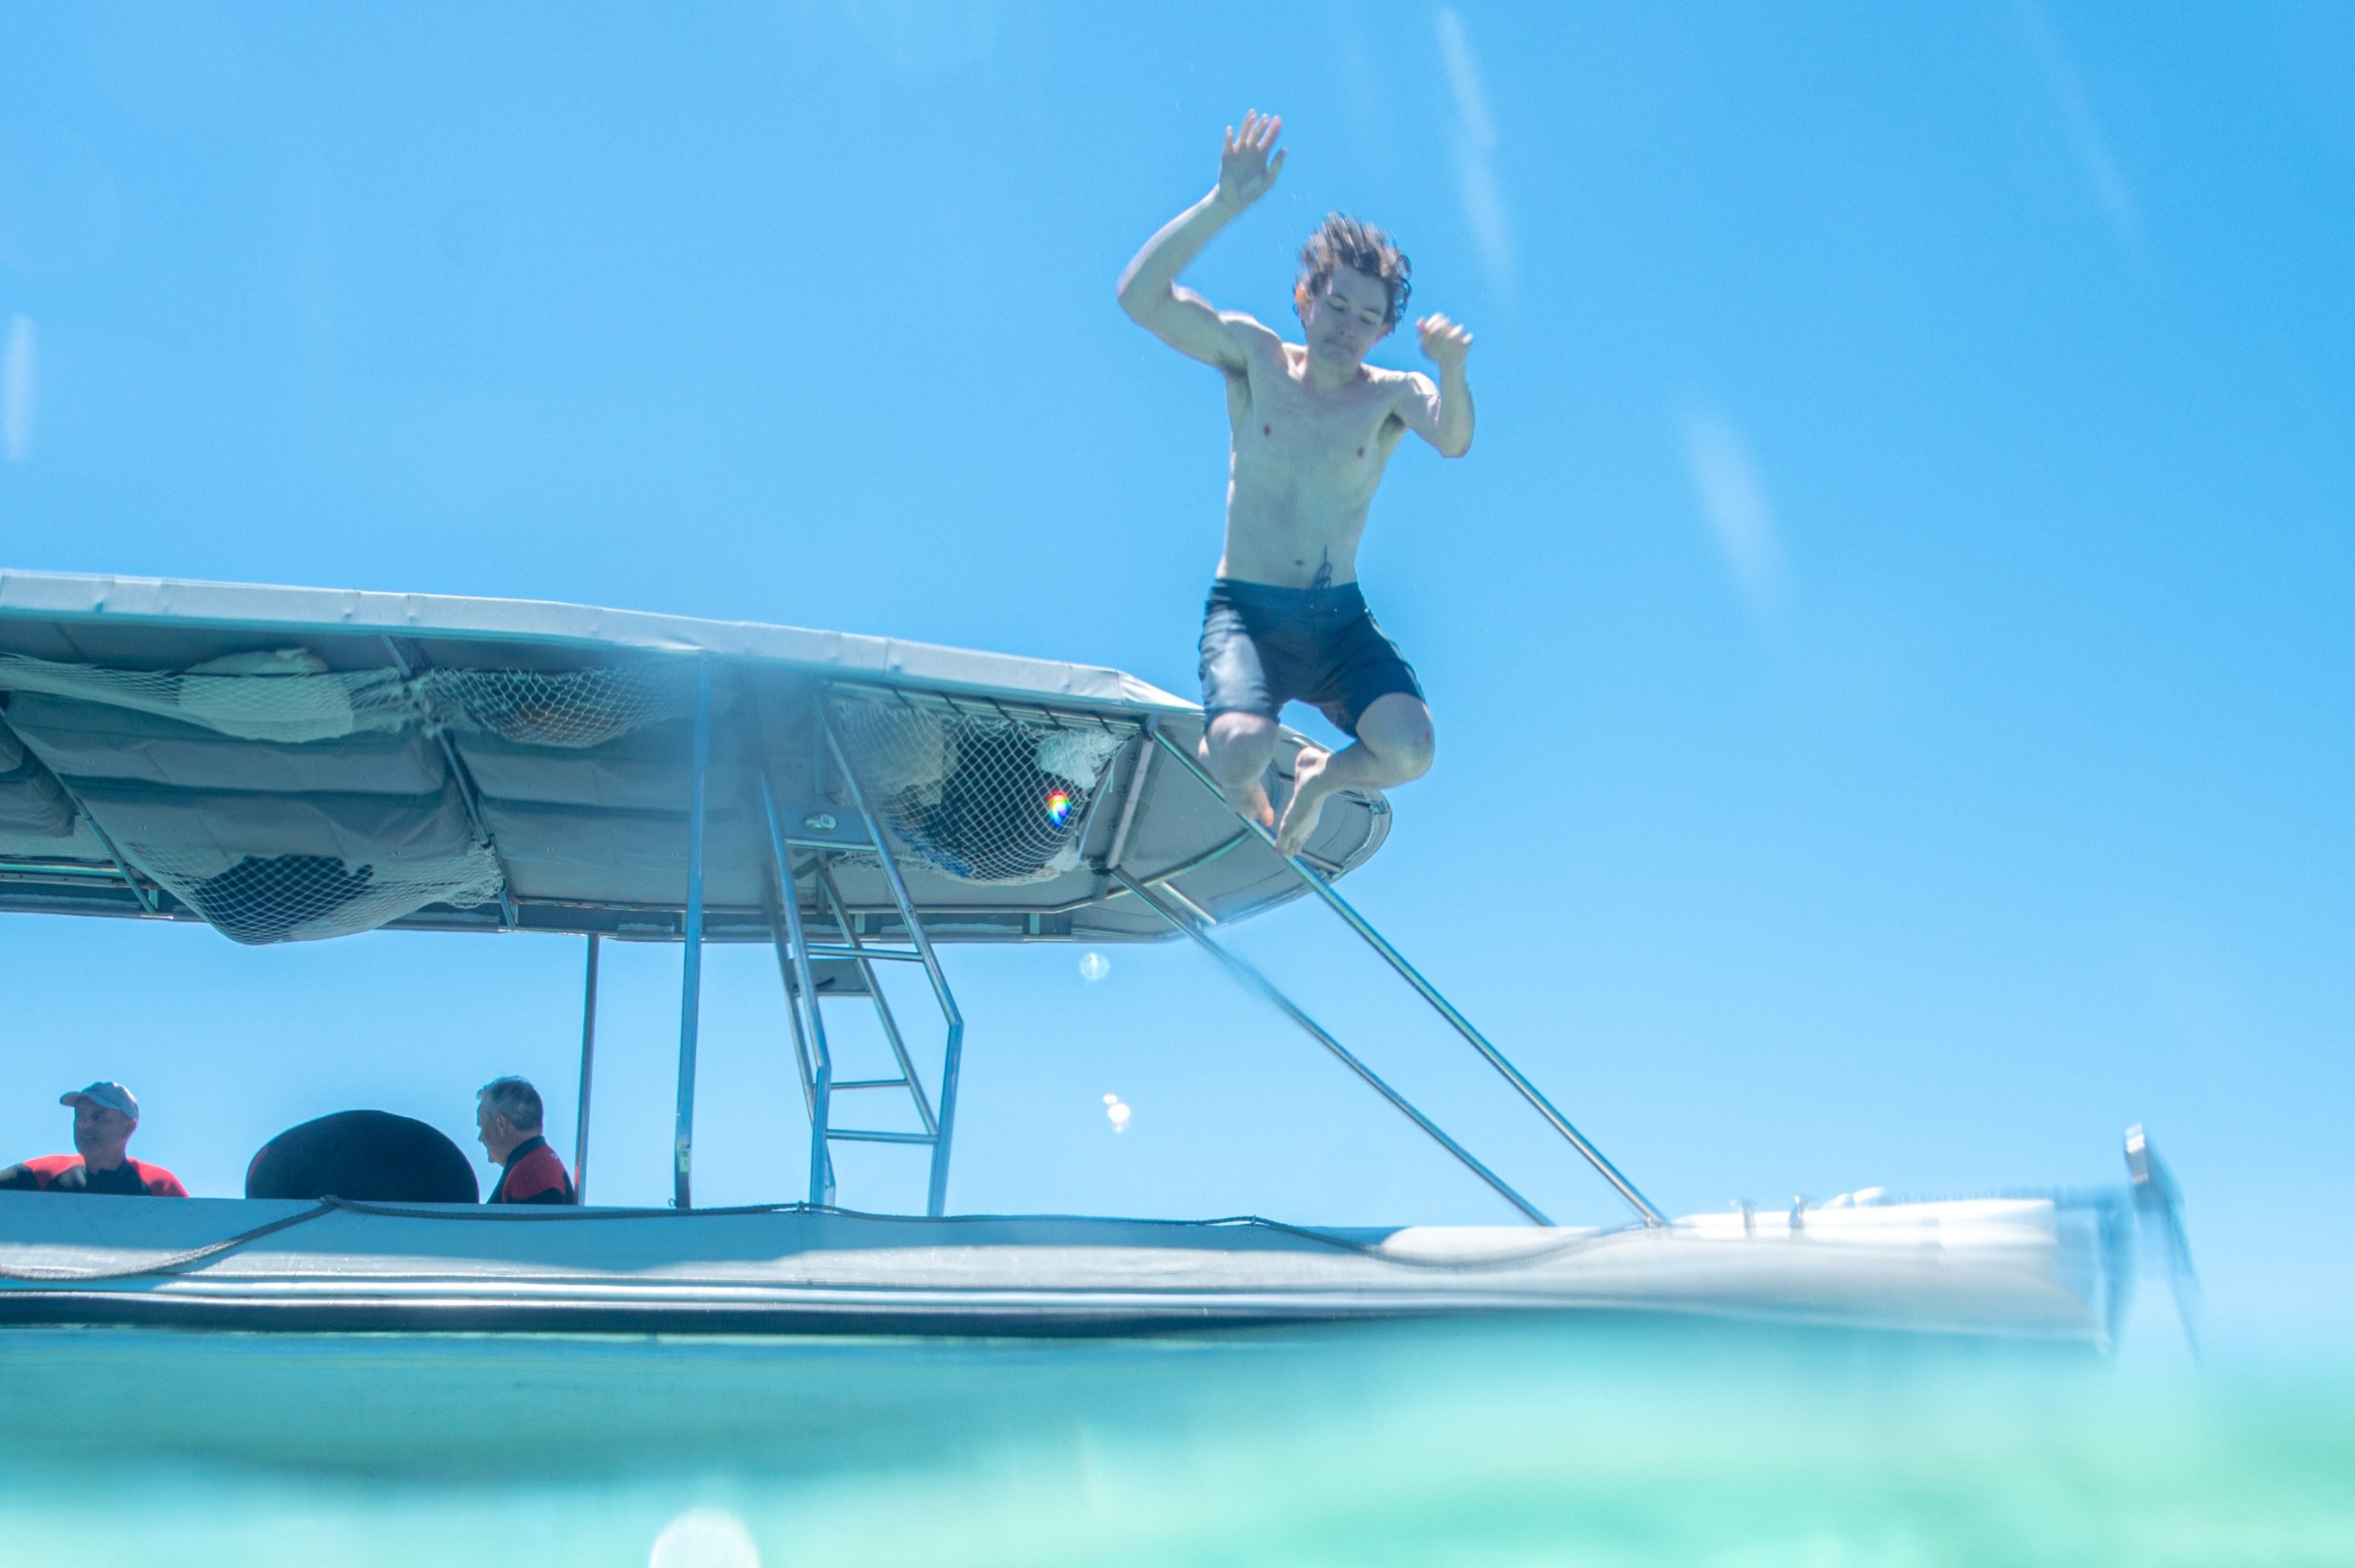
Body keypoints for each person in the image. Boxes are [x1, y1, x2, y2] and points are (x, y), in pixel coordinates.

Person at [1117, 110, 1474, 856]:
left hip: (1338, 623)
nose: (1347, 326)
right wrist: (1224, 203)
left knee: (1411, 749)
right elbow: (1138, 299)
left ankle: (1319, 776)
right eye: (1336, 305)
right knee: (1242, 753)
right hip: (1246, 615)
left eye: (1366, 317)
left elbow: (1452, 439)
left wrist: (1451, 368)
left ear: (1382, 331)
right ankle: (1239, 769)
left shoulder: (1390, 395)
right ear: (1305, 300)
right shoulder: (1256, 359)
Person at [0, 1082, 189, 1196]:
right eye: (79, 1115)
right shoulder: (45, 1174)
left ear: (128, 1128)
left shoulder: (159, 1185)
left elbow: (204, 1244)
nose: (83, 1125)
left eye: (98, 1116)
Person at [475, 1076, 575, 1206]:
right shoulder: (536, 1162)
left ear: (501, 1124)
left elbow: (530, 1226)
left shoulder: (532, 1173)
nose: (480, 1138)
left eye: (482, 1128)